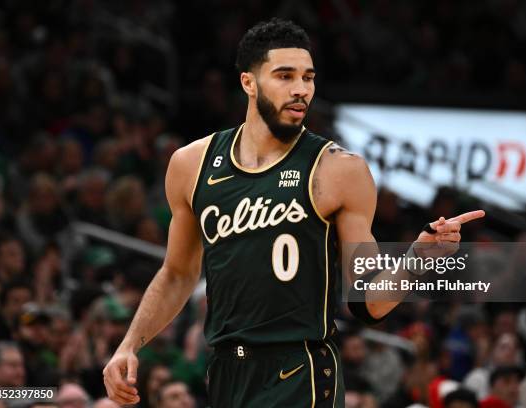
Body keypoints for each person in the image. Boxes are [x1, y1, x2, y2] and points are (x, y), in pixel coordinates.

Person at [102, 18, 484, 407]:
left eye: (308, 77)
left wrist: (416, 260)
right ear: (248, 83)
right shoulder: (191, 164)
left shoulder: (339, 170)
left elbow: (368, 302)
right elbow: (178, 273)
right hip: (225, 369)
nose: (301, 89)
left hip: (301, 369)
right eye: (285, 76)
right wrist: (129, 345)